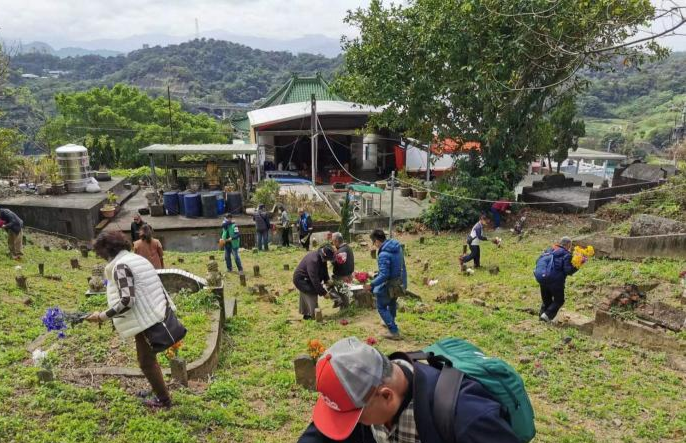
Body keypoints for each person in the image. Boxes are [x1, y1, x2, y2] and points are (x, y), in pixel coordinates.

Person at [297, 337, 519, 443]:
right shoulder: (363, 393)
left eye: (354, 417)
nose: (349, 425)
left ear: (386, 396)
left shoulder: (466, 417)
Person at [85, 231, 173, 409]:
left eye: (99, 252)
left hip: (146, 319)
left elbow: (127, 300)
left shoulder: (121, 266)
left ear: (106, 250)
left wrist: (102, 316)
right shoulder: (137, 259)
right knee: (149, 359)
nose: (100, 257)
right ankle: (157, 389)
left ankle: (163, 400)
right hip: (154, 312)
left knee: (146, 362)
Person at [364, 229, 406, 341]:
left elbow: (384, 275)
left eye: (373, 242)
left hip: (390, 283)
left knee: (381, 306)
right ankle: (390, 321)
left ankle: (394, 331)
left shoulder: (383, 254)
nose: (374, 245)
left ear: (377, 241)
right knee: (392, 302)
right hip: (399, 281)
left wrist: (371, 284)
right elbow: (399, 266)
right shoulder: (397, 247)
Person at [538, 236, 578, 322]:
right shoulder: (566, 254)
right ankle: (547, 316)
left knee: (546, 300)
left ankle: (542, 316)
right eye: (570, 246)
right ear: (568, 245)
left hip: (543, 278)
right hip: (555, 281)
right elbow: (568, 271)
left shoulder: (549, 249)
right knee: (559, 300)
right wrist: (577, 266)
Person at [293, 245, 335, 320]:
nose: (327, 260)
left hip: (307, 278)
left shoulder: (322, 258)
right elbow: (314, 280)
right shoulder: (313, 260)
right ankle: (312, 315)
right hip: (301, 280)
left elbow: (324, 269)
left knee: (309, 293)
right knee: (312, 292)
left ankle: (307, 313)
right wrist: (324, 293)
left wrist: (327, 280)